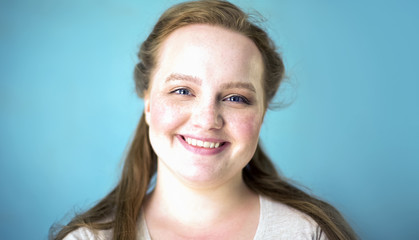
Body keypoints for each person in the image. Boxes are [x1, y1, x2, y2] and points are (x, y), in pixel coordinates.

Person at [51, 0, 357, 239]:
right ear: (148, 103)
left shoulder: (308, 234)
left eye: (236, 98)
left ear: (261, 115)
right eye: (182, 90)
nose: (207, 119)